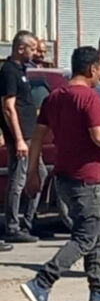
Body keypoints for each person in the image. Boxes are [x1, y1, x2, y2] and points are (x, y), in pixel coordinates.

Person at [19, 47, 100, 301]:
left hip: (65, 177)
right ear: (92, 69)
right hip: (86, 178)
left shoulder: (53, 98)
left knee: (95, 232)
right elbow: (99, 135)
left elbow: (37, 138)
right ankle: (42, 282)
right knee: (85, 236)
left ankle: (98, 288)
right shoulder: (89, 98)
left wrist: (32, 172)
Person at [2, 31, 43, 243]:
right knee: (18, 179)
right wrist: (18, 139)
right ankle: (13, 226)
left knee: (40, 174)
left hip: (31, 133)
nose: (35, 52)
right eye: (32, 48)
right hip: (21, 136)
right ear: (20, 48)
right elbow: (9, 107)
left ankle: (28, 222)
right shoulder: (9, 71)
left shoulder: (23, 70)